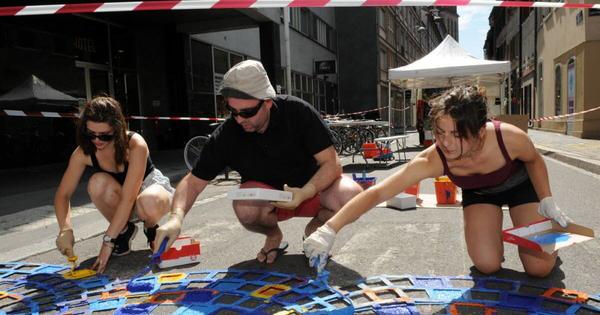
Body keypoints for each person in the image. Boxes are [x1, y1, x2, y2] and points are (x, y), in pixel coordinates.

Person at [304, 86, 571, 277]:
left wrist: (546, 198)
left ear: (479, 130)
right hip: (480, 194)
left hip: (519, 187)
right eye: (440, 132)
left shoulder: (509, 138)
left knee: (539, 268)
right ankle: (496, 239)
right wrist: (329, 230)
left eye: (456, 134)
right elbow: (377, 193)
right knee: (487, 264)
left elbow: (534, 160)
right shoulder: (434, 158)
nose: (445, 142)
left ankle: (551, 247)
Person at [154, 60, 363, 264]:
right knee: (244, 206)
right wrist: (176, 217)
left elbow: (332, 163)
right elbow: (193, 182)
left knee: (351, 196)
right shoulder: (228, 134)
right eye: (232, 111)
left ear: (268, 102)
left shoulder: (298, 112)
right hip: (269, 202)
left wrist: (306, 192)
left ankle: (315, 230)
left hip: (313, 193)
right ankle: (274, 236)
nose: (239, 119)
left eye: (247, 112)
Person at [54, 96, 174, 273]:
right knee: (96, 182)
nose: (97, 140)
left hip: (148, 191)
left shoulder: (135, 144)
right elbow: (62, 195)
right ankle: (124, 232)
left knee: (147, 201)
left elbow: (129, 198)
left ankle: (150, 228)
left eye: (105, 135)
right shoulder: (83, 153)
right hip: (120, 198)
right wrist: (65, 229)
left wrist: (107, 241)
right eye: (91, 134)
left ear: (117, 129)